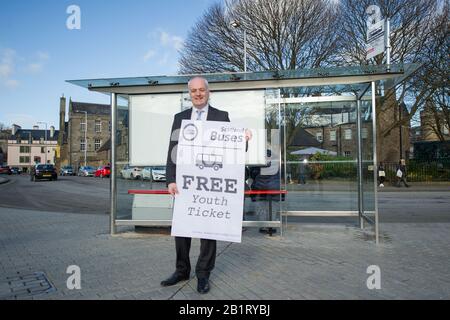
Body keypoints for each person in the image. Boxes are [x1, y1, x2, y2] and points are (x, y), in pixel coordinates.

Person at [162, 76, 250, 294]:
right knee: (182, 230)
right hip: (185, 183)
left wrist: (244, 140)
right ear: (189, 94)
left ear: (208, 92)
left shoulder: (221, 116)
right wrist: (170, 179)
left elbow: (233, 149)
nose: (198, 94)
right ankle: (182, 270)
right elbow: (172, 151)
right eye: (194, 91)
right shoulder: (179, 118)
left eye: (202, 90)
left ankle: (203, 274)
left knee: (208, 231)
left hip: (209, 183)